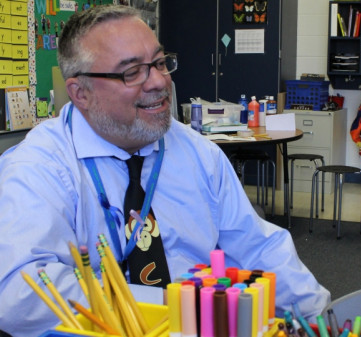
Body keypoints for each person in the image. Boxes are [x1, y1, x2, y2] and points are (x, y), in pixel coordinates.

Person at [0, 5, 329, 336]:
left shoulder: (199, 153)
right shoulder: (37, 167)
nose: (158, 81)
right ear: (80, 93)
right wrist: (164, 309)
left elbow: (257, 247)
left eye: (159, 63)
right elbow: (17, 291)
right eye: (131, 72)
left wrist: (319, 316)